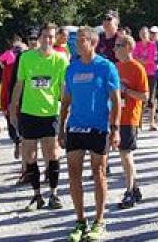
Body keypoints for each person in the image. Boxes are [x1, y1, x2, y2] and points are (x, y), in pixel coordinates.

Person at [58, 27, 122, 242]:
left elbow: (115, 100)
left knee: (99, 173)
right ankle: (80, 221)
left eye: (82, 40)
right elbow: (66, 100)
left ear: (93, 42)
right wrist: (61, 128)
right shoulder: (72, 68)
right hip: (75, 126)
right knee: (74, 173)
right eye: (77, 40)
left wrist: (115, 129)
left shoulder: (106, 67)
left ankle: (99, 220)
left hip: (99, 127)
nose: (78, 44)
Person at [10, 24, 69, 211]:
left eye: (51, 37)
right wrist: (13, 108)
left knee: (52, 154)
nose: (48, 40)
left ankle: (54, 193)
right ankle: (37, 195)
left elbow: (63, 89)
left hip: (50, 113)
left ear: (55, 38)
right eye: (45, 36)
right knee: (30, 156)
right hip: (29, 113)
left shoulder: (60, 60)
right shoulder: (26, 58)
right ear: (39, 38)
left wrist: (66, 111)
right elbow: (19, 84)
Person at [114, 34, 150, 209]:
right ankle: (135, 189)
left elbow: (144, 96)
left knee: (125, 154)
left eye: (118, 45)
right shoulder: (115, 67)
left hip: (129, 117)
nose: (115, 49)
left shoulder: (137, 68)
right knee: (124, 154)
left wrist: (126, 90)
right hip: (116, 116)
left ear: (128, 47)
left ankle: (129, 191)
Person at [0, 34, 27, 155]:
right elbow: (5, 88)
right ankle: (19, 142)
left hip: (24, 102)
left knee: (19, 128)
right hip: (17, 101)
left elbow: (4, 88)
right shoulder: (9, 68)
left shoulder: (25, 66)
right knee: (16, 127)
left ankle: (19, 142)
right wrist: (4, 105)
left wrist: (4, 105)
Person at [131, 26, 158, 132]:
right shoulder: (136, 45)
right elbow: (134, 57)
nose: (143, 35)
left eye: (145, 33)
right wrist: (142, 60)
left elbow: (151, 59)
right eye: (141, 33)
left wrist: (141, 60)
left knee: (150, 98)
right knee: (140, 98)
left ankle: (152, 122)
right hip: (140, 74)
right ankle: (139, 122)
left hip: (150, 74)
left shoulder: (152, 45)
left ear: (148, 34)